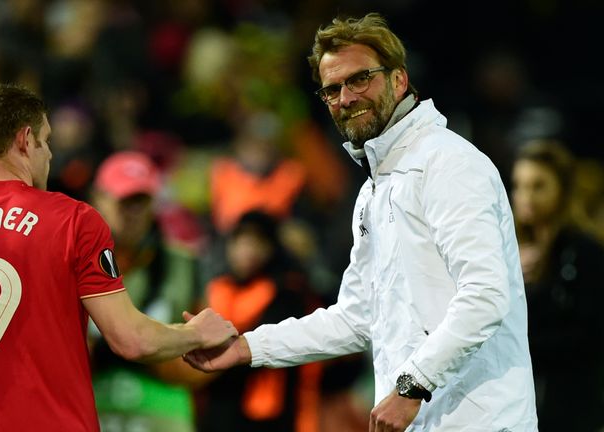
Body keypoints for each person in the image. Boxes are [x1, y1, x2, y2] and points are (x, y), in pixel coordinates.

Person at [184, 13, 537, 431]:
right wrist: (246, 347)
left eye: (360, 79)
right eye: (332, 89)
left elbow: (485, 295)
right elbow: (355, 318)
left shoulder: (450, 163)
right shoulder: (375, 188)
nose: (346, 98)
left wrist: (410, 386)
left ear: (399, 80)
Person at [0, 82, 237, 432]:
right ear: (24, 140)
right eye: (45, 141)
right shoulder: (74, 222)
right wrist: (195, 333)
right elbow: (132, 340)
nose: (49, 154)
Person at [88, 150, 206, 432]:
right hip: (91, 410)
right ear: (98, 199)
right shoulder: (71, 264)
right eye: (124, 201)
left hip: (161, 415)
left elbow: (207, 341)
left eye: (141, 201)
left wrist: (168, 363)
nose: (133, 213)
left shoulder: (184, 263)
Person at [198, 210, 323, 432]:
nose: (248, 251)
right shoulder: (216, 287)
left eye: (258, 243)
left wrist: (204, 363)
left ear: (272, 249)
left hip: (266, 415)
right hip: (217, 408)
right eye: (241, 241)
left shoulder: (285, 293)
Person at [511, 140, 604, 431]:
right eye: (519, 185)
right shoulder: (506, 252)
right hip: (523, 405)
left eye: (538, 186)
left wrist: (520, 347)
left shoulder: (585, 251)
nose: (525, 196)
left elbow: (589, 335)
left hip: (573, 409)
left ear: (562, 190)